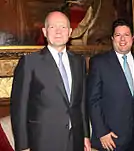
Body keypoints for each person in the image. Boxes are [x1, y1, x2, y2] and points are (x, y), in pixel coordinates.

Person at [10, 11, 91, 151]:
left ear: (70, 32)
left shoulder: (79, 62)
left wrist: (85, 135)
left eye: (63, 27)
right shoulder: (30, 63)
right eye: (53, 27)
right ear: (45, 32)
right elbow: (19, 107)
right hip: (43, 142)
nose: (58, 31)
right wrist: (23, 146)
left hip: (75, 140)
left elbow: (81, 102)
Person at [87, 19, 134, 151]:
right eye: (118, 35)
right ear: (112, 38)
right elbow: (92, 100)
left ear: (132, 38)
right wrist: (102, 132)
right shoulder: (99, 63)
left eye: (126, 35)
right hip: (111, 138)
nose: (122, 39)